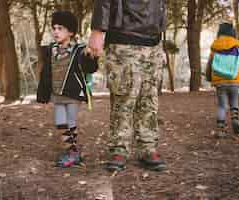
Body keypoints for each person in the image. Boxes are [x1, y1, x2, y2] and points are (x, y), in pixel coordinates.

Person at [87, 0, 167, 171]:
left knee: (149, 98)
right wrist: (97, 30)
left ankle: (148, 147)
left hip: (153, 41)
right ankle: (119, 149)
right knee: (123, 97)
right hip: (123, 38)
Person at [37, 11, 98, 168]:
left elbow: (90, 69)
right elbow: (45, 73)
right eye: (54, 28)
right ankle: (73, 151)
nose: (56, 31)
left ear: (70, 32)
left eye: (61, 28)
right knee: (60, 123)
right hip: (57, 93)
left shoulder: (79, 50)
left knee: (70, 122)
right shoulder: (50, 50)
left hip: (73, 93)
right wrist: (43, 93)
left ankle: (72, 153)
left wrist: (92, 56)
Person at [205, 23, 239, 139]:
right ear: (233, 34)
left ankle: (221, 130)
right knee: (234, 101)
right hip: (234, 81)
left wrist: (209, 78)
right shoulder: (238, 48)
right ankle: (235, 119)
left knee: (221, 106)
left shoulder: (215, 49)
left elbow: (209, 67)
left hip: (220, 82)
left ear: (219, 33)